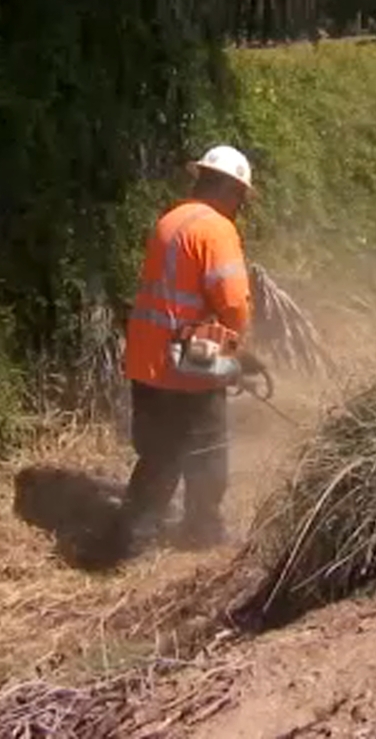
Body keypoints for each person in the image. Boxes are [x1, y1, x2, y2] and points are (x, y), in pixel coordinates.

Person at [117, 145, 262, 556]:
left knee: (159, 453)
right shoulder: (216, 229)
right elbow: (233, 303)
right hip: (186, 362)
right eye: (240, 198)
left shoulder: (170, 220)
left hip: (146, 358)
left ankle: (134, 539)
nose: (239, 207)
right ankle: (202, 531)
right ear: (231, 191)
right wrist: (235, 351)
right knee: (208, 445)